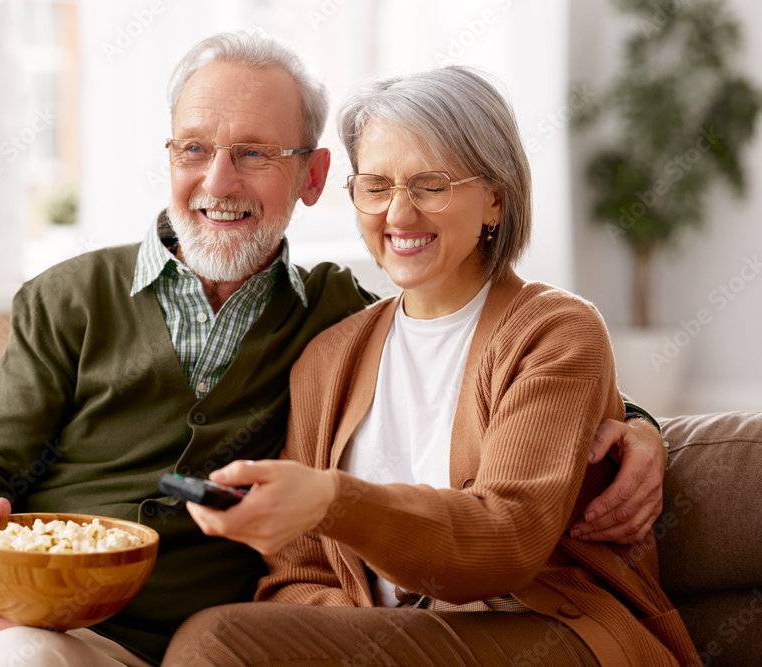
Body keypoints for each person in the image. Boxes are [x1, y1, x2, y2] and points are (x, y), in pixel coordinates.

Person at [0, 32, 669, 667]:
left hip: (128, 641)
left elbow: (527, 401)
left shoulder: (325, 316)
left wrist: (637, 427)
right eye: (195, 148)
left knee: (26, 658)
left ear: (310, 179)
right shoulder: (88, 301)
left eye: (253, 154)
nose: (218, 181)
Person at [168, 67, 698, 666]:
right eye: (375, 185)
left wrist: (332, 500)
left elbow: (508, 537)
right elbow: (299, 573)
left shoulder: (554, 330)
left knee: (214, 642)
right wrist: (351, 634)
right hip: (400, 642)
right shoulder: (328, 358)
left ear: (495, 197)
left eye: (431, 184)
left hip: (542, 628)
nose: (399, 214)